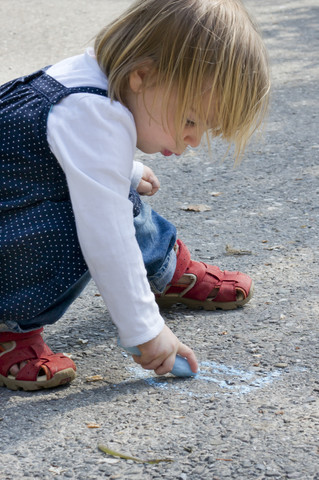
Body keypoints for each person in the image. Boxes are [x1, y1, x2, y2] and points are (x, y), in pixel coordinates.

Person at [0, 0, 270, 391]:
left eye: (203, 129)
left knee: (110, 191)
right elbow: (107, 236)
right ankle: (11, 323)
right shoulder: (93, 114)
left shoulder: (90, 81)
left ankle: (163, 267)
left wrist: (123, 170)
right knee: (90, 217)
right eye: (191, 120)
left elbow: (46, 157)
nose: (192, 139)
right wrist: (146, 331)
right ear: (142, 75)